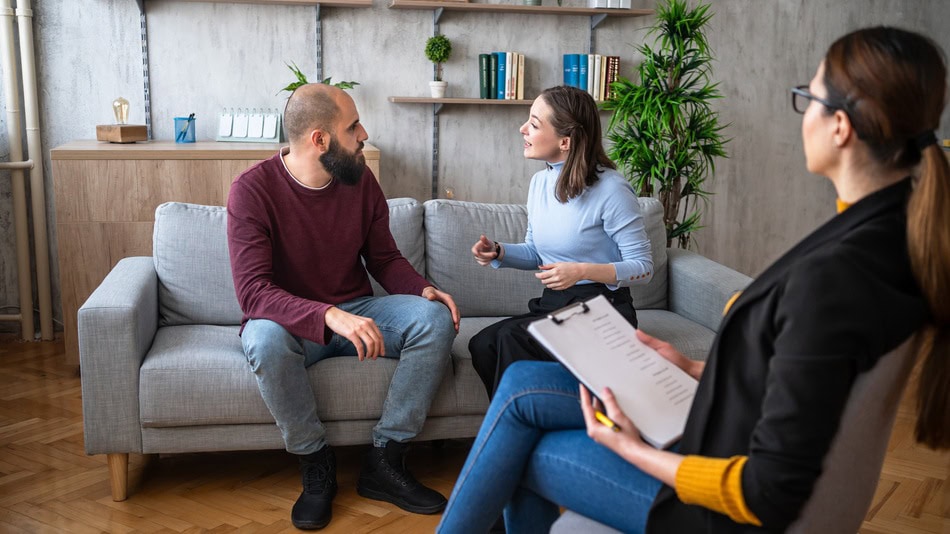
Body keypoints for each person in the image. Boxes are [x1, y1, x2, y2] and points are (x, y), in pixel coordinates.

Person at [438, 26, 950, 533]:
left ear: (840, 126)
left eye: (806, 98)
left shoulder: (837, 278)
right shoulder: (886, 238)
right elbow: (798, 373)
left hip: (711, 496)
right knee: (522, 384)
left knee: (523, 438)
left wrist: (635, 452)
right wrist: (693, 365)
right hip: (719, 417)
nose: (803, 114)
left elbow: (770, 490)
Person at [227, 83, 461, 531]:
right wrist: (327, 314)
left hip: (358, 309)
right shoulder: (251, 191)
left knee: (434, 319)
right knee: (262, 339)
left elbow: (385, 259)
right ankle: (316, 466)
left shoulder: (359, 180)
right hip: (292, 323)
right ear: (320, 139)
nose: (364, 134)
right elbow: (254, 293)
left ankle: (385, 461)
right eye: (353, 126)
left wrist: (421, 288)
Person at [469, 85, 654, 399]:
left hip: (602, 310)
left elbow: (644, 268)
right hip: (555, 304)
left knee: (512, 339)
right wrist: (499, 251)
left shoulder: (612, 189)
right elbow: (537, 251)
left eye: (534, 124)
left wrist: (582, 271)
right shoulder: (540, 182)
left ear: (565, 141)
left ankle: (524, 426)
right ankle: (519, 420)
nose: (522, 129)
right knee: (482, 343)